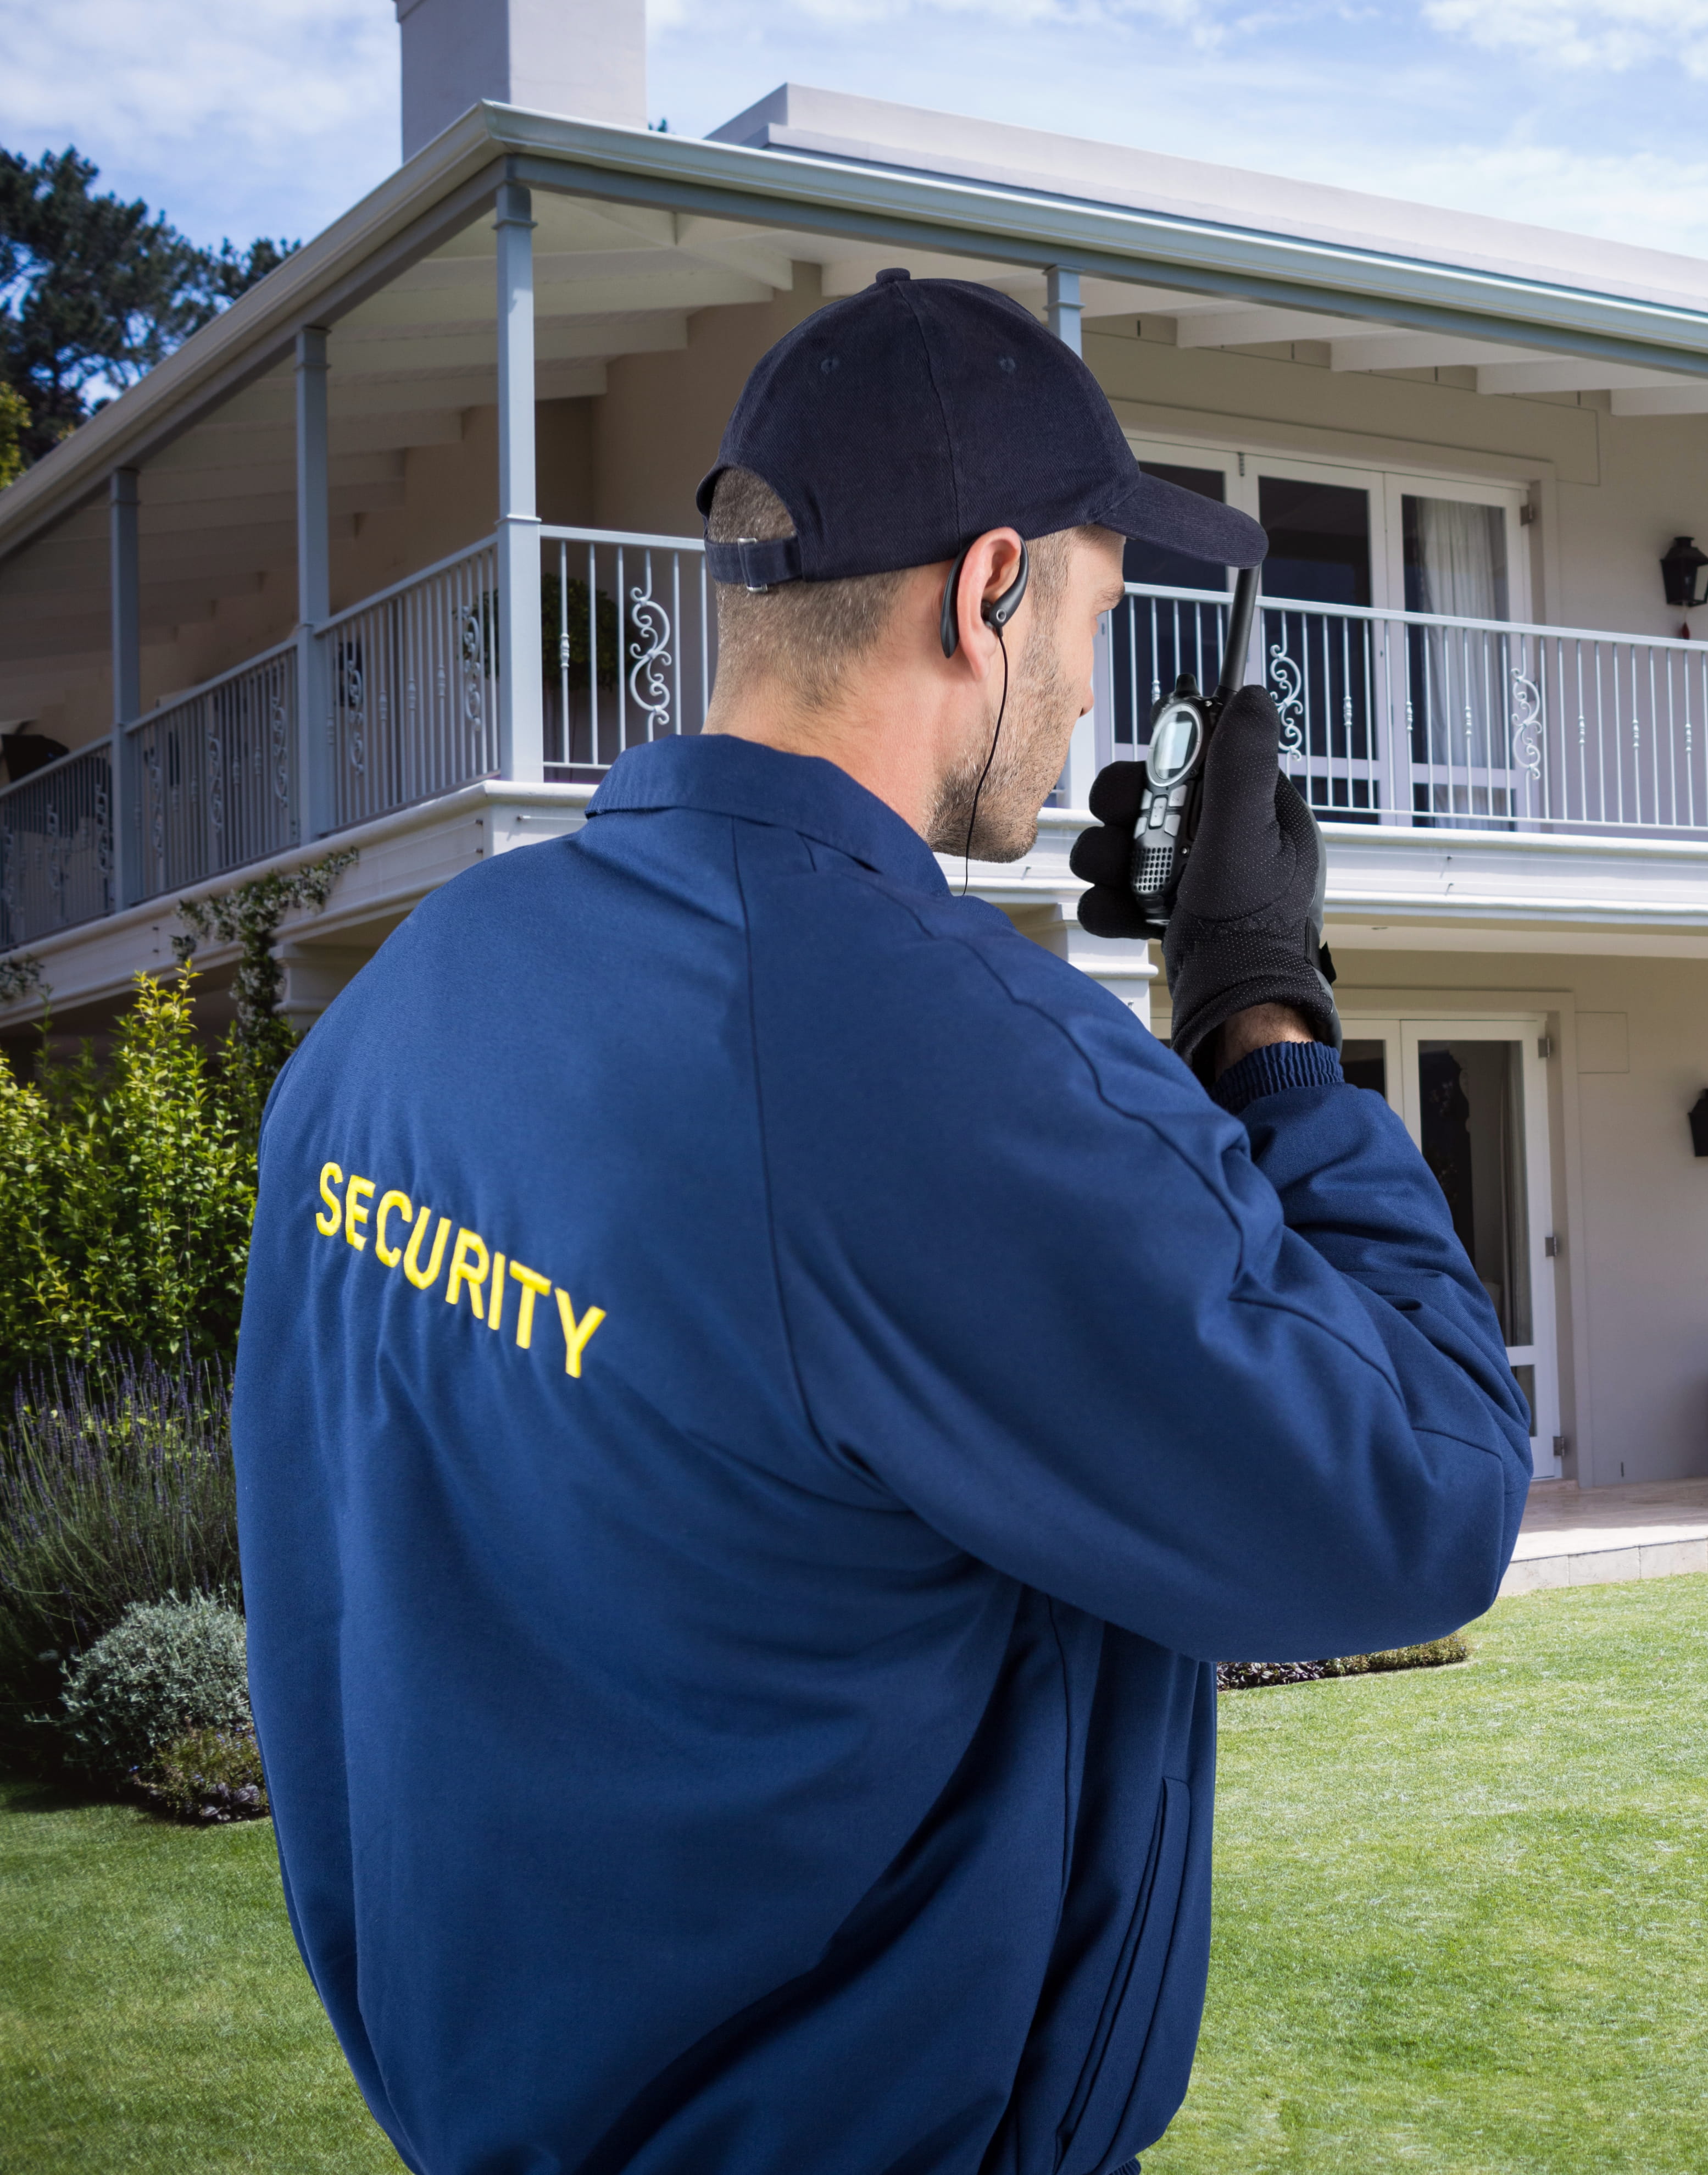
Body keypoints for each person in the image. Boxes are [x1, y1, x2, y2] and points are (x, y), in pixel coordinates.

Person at [234, 269, 1531, 2175]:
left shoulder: (407, 1008)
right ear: (986, 590)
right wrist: (1261, 1009)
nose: (1088, 685)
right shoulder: (941, 1065)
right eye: (1091, 612)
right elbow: (1424, 1496)